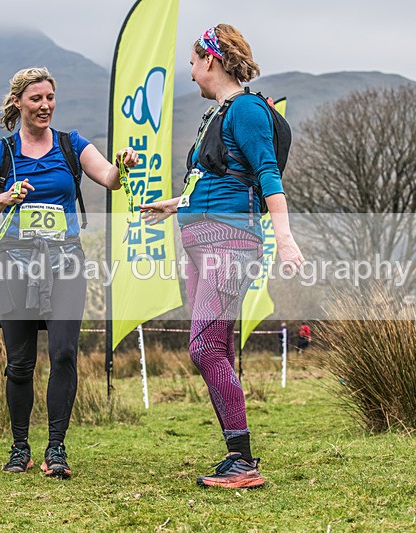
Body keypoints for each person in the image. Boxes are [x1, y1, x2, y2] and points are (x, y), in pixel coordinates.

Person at [141, 24, 304, 489]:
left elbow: (268, 176)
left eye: (192, 62)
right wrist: (174, 204)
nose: (189, 73)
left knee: (204, 346)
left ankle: (244, 461)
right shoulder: (219, 114)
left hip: (229, 244)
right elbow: (218, 181)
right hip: (201, 239)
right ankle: (237, 457)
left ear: (211, 60)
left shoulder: (248, 110)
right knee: (218, 347)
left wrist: (285, 239)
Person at [0, 67, 139, 477]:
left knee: (64, 353)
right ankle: (20, 447)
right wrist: (6, 197)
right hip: (14, 263)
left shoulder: (70, 144)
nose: (44, 106)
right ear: (18, 104)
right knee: (20, 364)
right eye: (35, 99)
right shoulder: (1, 152)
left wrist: (123, 165)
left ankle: (56, 448)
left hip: (65, 261)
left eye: (49, 98)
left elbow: (109, 179)